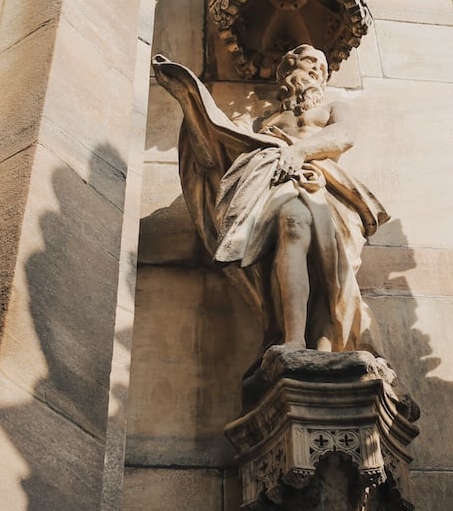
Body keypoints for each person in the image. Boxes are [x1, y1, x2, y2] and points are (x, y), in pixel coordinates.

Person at [153, 45, 387, 355]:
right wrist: (188, 97)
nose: (315, 70)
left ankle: (324, 342)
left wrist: (298, 151)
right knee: (293, 224)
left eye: (320, 68)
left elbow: (346, 134)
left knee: (328, 268)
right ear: (287, 71)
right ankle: (293, 339)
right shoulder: (263, 122)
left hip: (327, 187)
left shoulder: (334, 108)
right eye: (308, 63)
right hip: (278, 185)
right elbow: (215, 151)